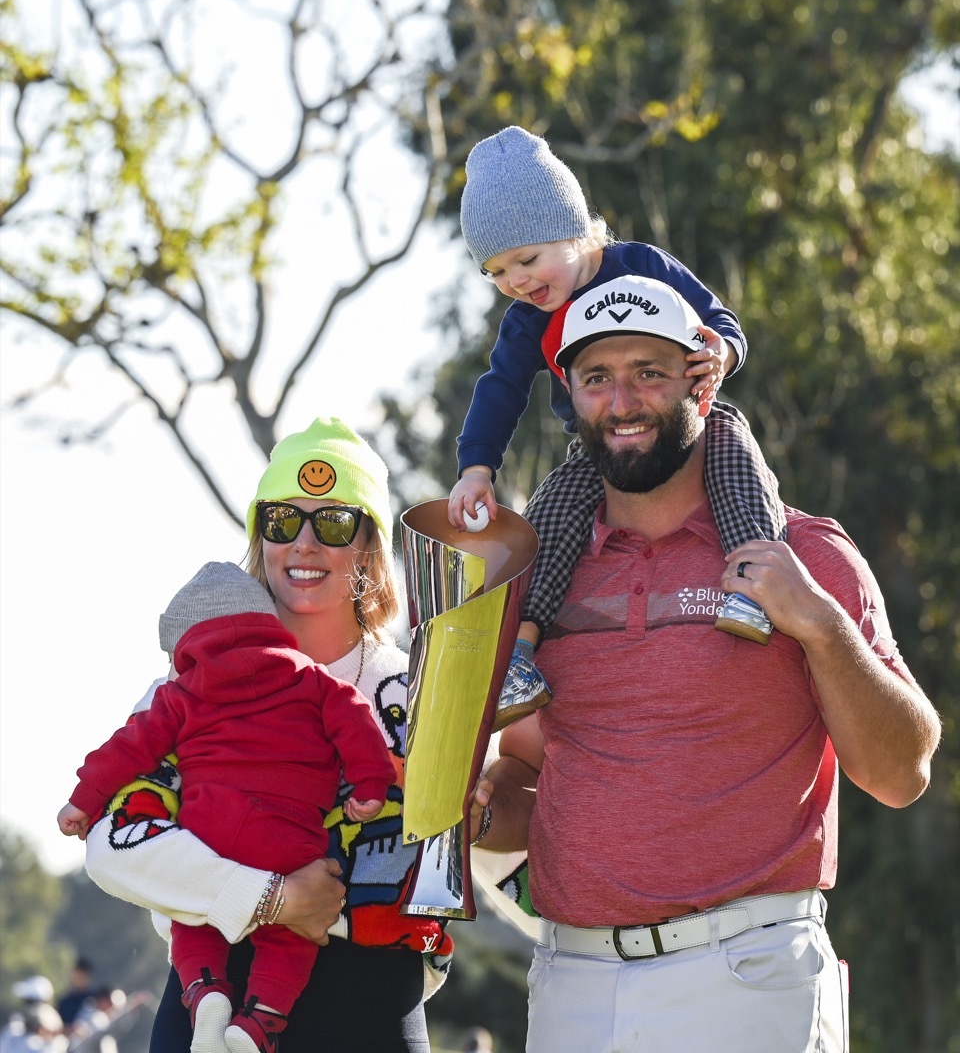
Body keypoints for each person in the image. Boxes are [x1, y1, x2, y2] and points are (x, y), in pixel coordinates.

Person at [469, 274, 941, 1053]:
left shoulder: (804, 552)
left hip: (747, 975)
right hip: (573, 980)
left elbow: (902, 772)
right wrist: (478, 814)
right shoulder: (542, 579)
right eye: (597, 378)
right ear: (571, 396)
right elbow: (528, 773)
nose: (623, 402)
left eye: (649, 372)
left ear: (701, 379)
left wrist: (822, 628)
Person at [82, 417, 454, 1053]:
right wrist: (272, 900)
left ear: (370, 544)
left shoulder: (419, 691)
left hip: (375, 1002)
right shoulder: (191, 679)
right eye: (282, 520)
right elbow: (112, 847)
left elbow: (493, 859)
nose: (304, 544)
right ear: (261, 537)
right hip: (213, 991)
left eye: (333, 523)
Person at [450, 126, 785, 726]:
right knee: (551, 515)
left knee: (739, 464)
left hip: (692, 418)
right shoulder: (527, 320)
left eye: (527, 259)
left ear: (574, 231)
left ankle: (753, 586)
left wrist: (722, 353)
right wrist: (476, 468)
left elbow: (720, 319)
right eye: (496, 271)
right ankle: (519, 653)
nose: (517, 281)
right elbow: (500, 390)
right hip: (599, 449)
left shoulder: (643, 266)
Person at [58, 560, 396, 1053]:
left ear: (186, 646)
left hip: (208, 830)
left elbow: (130, 746)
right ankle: (258, 1022)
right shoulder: (311, 677)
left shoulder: (180, 693)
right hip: (289, 836)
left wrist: (82, 799)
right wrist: (370, 784)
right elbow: (356, 720)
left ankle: (206, 992)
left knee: (192, 912)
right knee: (291, 935)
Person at [55, 959, 94, 1035]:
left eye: (83, 975)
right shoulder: (64, 1002)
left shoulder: (93, 1000)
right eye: (78, 974)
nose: (79, 978)